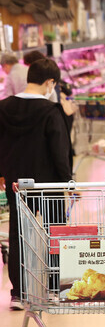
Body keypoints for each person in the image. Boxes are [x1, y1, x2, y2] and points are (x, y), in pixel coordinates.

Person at [0, 59, 72, 310]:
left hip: (16, 184)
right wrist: (68, 182)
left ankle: (19, 293)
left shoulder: (3, 107)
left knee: (19, 235)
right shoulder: (51, 112)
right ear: (50, 82)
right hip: (48, 184)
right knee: (55, 233)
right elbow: (59, 152)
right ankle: (54, 289)